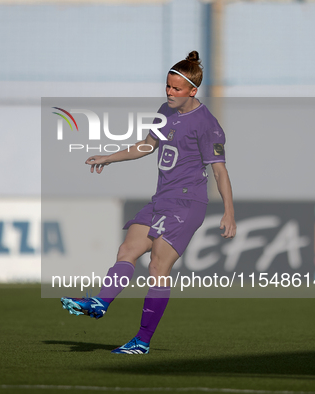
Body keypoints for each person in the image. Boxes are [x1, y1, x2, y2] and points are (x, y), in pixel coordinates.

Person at [60, 51, 236, 354]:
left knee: (157, 265)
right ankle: (100, 302)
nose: (169, 92)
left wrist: (229, 212)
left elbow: (219, 170)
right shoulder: (164, 111)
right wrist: (109, 157)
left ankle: (141, 341)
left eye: (176, 89)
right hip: (161, 199)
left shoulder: (207, 124)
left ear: (192, 91)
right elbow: (146, 145)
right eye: (167, 86)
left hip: (187, 203)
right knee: (127, 250)